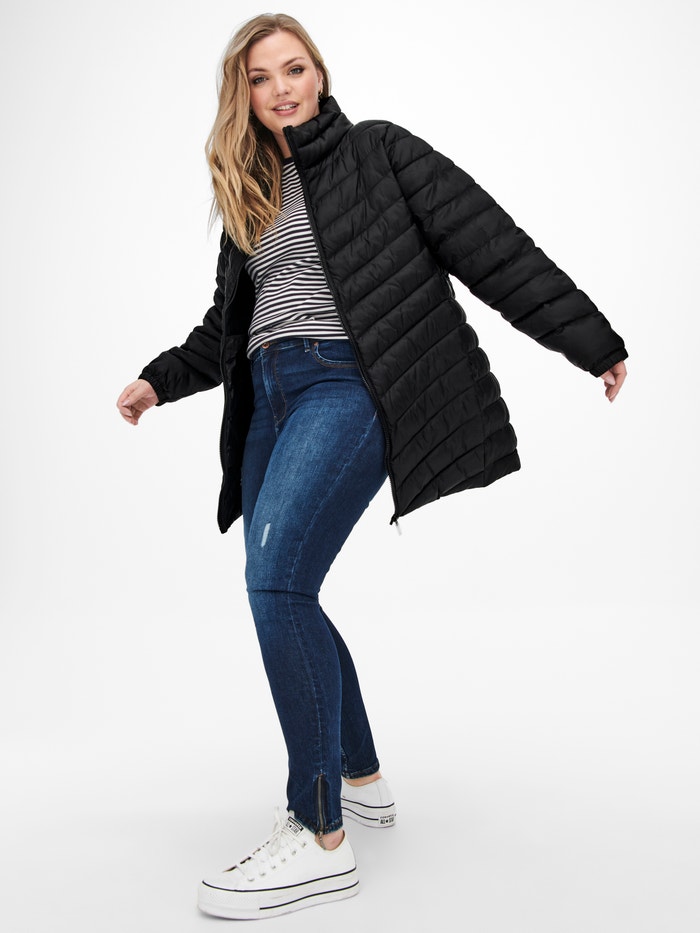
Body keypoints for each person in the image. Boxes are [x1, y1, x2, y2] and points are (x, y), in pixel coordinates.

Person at [116, 12, 628, 921]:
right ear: (244, 96)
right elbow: (229, 328)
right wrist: (160, 378)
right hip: (269, 398)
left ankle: (319, 839)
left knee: (276, 586)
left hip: (345, 383)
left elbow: (490, 245)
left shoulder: (380, 152)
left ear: (319, 73)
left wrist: (591, 342)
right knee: (288, 591)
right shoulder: (253, 196)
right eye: (262, 77)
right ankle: (360, 778)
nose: (282, 88)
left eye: (295, 68)